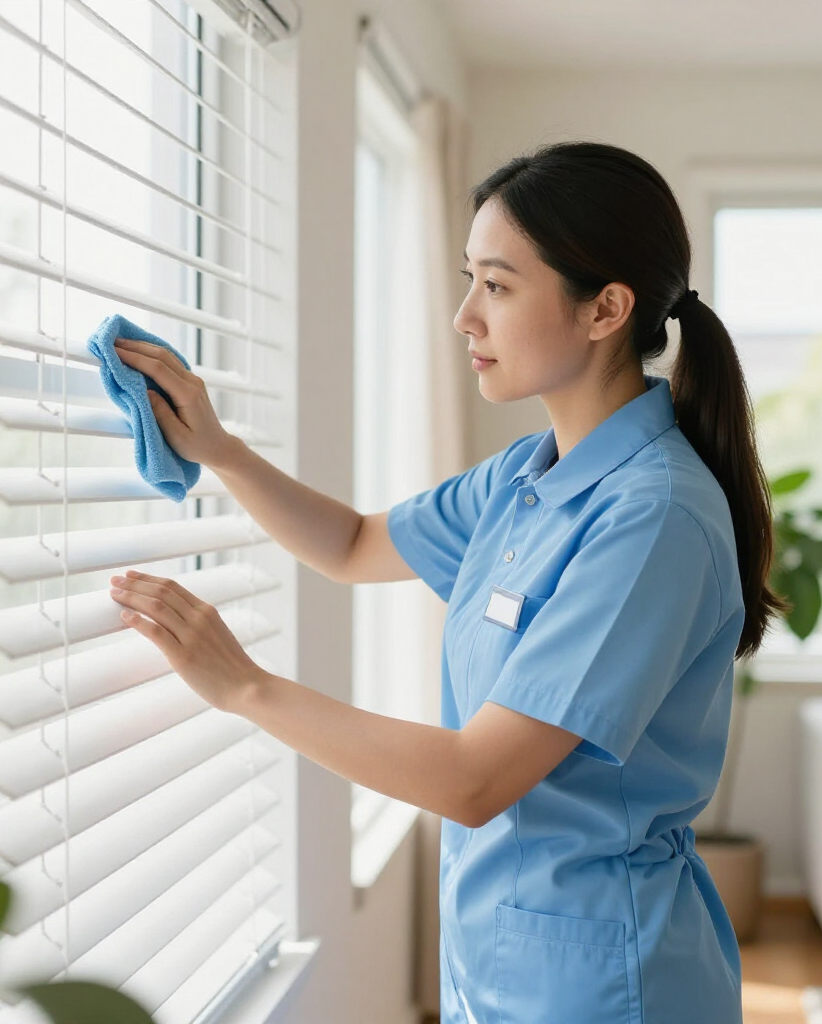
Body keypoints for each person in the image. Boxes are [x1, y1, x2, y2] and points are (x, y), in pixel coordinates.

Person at [107, 141, 784, 1024]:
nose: (465, 316)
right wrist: (220, 449)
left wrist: (245, 688)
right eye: (469, 279)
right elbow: (353, 544)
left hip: (606, 983)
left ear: (605, 309)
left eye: (497, 287)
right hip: (502, 962)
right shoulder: (524, 477)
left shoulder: (652, 516)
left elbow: (476, 779)